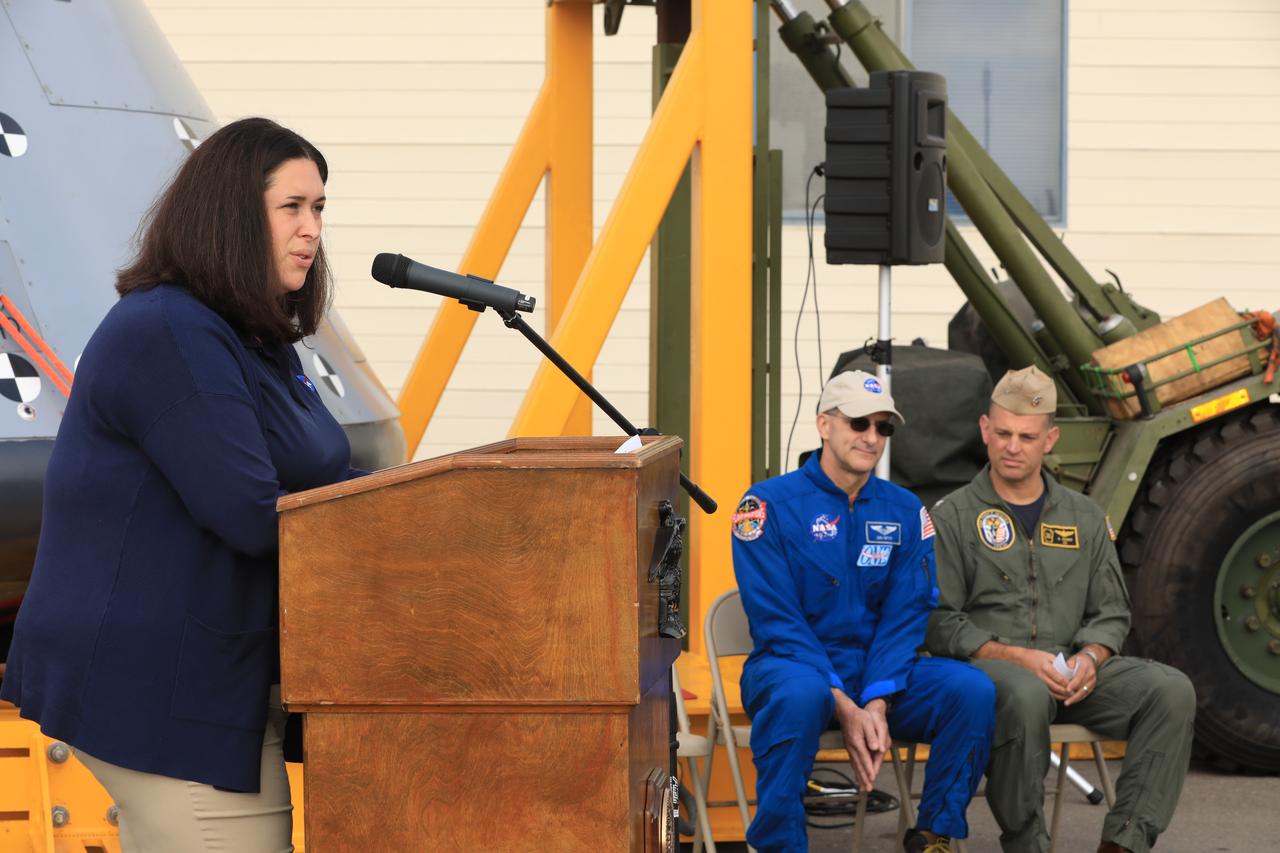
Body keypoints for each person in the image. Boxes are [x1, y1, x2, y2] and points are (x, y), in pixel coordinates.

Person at [0, 117, 364, 852]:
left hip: (219, 680)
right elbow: (250, 512)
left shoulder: (257, 338)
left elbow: (332, 474)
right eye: (291, 207)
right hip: (161, 688)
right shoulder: (169, 331)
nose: (311, 228)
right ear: (234, 214)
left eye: (319, 208)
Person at [926, 365, 1195, 853]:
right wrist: (1013, 657)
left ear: (1049, 439)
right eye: (1003, 433)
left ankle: (1124, 842)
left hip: (1072, 674)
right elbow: (938, 621)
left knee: (1170, 690)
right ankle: (1027, 843)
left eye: (1027, 437)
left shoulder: (1085, 517)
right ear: (985, 431)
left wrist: (1091, 658)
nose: (1013, 446)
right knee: (1027, 693)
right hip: (994, 674)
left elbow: (1112, 611)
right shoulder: (953, 517)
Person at [732, 370, 995, 853]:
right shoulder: (766, 505)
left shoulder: (904, 510)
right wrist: (841, 701)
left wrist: (874, 699)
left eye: (883, 427)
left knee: (971, 690)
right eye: (858, 423)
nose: (871, 438)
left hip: (880, 673)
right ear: (823, 425)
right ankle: (778, 846)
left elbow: (906, 615)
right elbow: (777, 621)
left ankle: (933, 834)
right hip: (791, 667)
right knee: (798, 697)